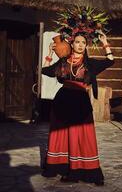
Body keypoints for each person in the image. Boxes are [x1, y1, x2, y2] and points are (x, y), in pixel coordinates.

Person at [41, 29, 114, 185]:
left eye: (83, 43)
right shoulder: (64, 61)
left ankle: (83, 169)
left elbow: (110, 61)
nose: (80, 45)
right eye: (77, 42)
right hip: (63, 100)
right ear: (72, 44)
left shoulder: (90, 64)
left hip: (80, 102)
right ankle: (61, 167)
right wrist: (49, 53)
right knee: (62, 135)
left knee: (82, 135)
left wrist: (105, 42)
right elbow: (46, 71)